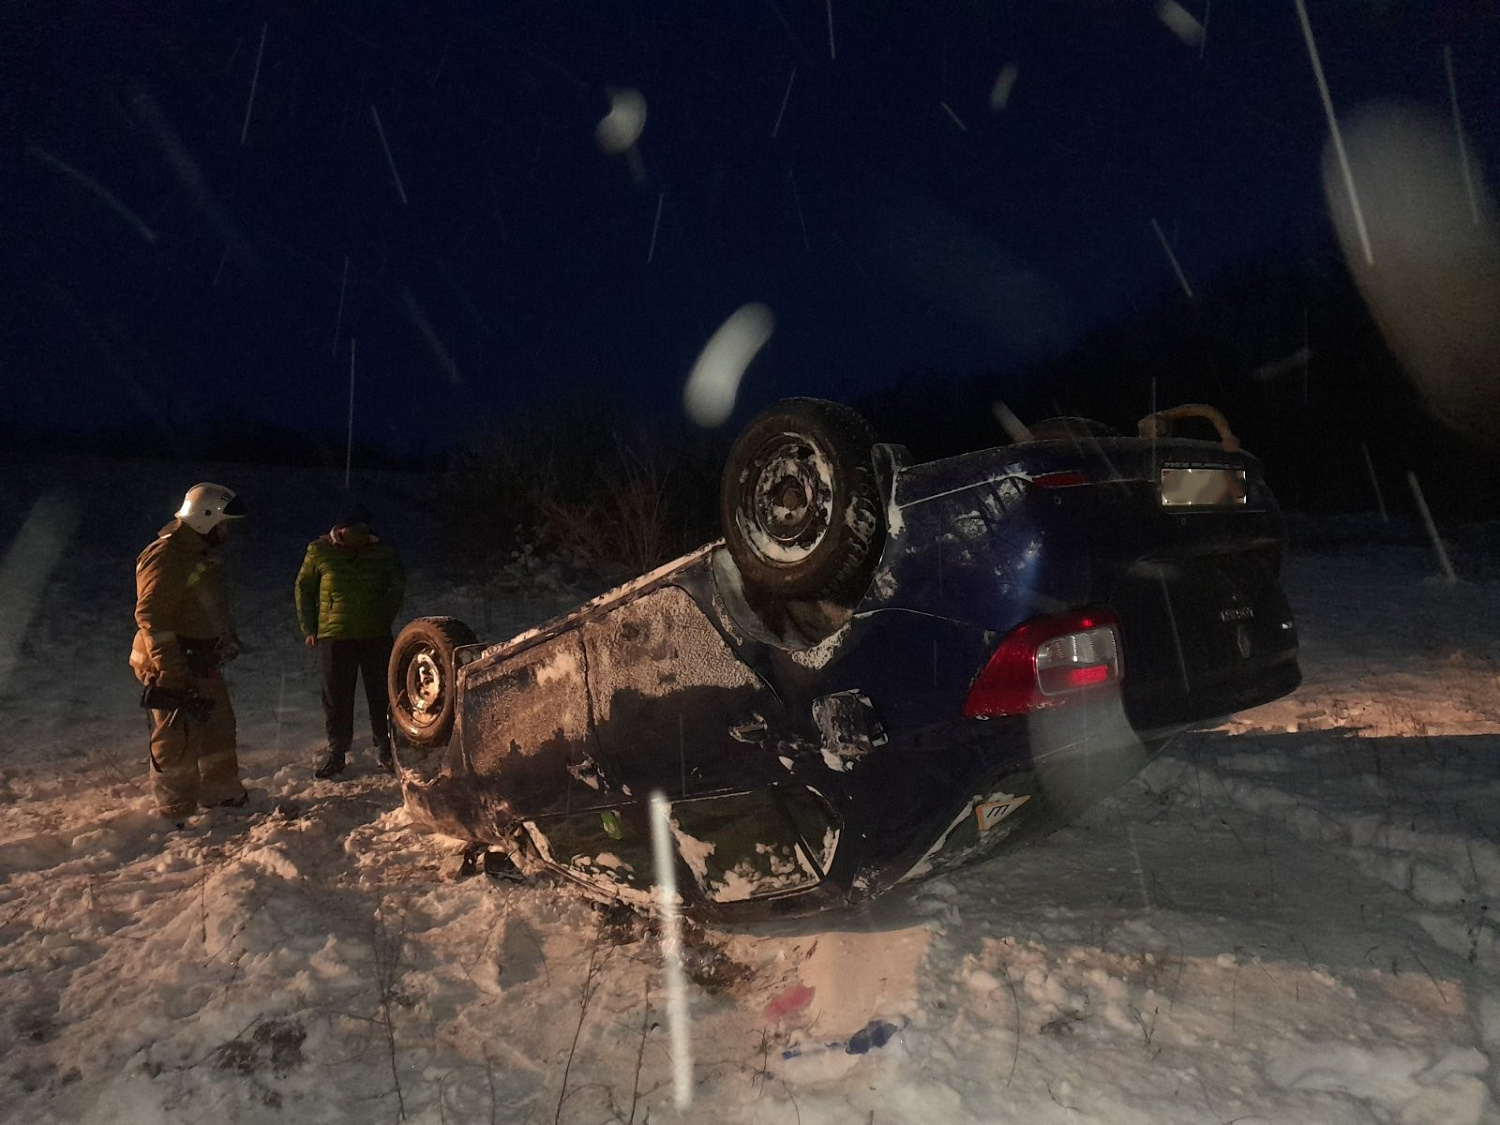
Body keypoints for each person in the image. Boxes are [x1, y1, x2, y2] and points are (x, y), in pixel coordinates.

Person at [130, 482, 250, 821]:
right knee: (177, 739)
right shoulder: (166, 555)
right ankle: (174, 809)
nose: (226, 532)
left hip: (199, 660)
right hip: (172, 661)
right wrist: (170, 669)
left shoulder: (197, 553)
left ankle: (221, 795)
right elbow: (150, 615)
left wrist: (224, 638)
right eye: (223, 524)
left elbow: (204, 605)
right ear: (204, 519)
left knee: (218, 726)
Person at [295, 503, 406, 779]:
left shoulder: (384, 553)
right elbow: (304, 589)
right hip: (335, 637)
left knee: (382, 694)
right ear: (340, 529)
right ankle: (337, 752)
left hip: (375, 635)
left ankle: (386, 747)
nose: (359, 535)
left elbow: (397, 586)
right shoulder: (319, 551)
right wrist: (310, 627)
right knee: (337, 697)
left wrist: (384, 616)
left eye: (363, 529)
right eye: (353, 529)